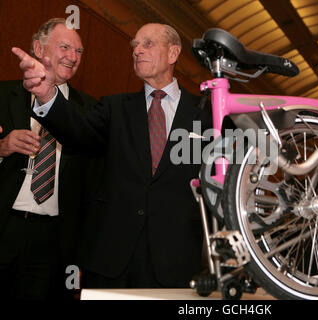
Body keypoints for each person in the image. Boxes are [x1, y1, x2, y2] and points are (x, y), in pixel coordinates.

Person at [13, 23, 212, 289]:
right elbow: (78, 132)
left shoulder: (206, 114)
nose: (137, 51)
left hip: (175, 262)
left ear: (174, 53)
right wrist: (47, 94)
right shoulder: (113, 107)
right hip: (111, 260)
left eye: (147, 44)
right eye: (134, 46)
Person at [0, 18, 97, 300]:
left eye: (79, 52)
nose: (73, 57)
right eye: (65, 47)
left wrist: (83, 255)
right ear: (38, 49)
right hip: (4, 224)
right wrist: (2, 147)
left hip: (52, 239)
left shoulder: (91, 111)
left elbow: (92, 189)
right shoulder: (3, 95)